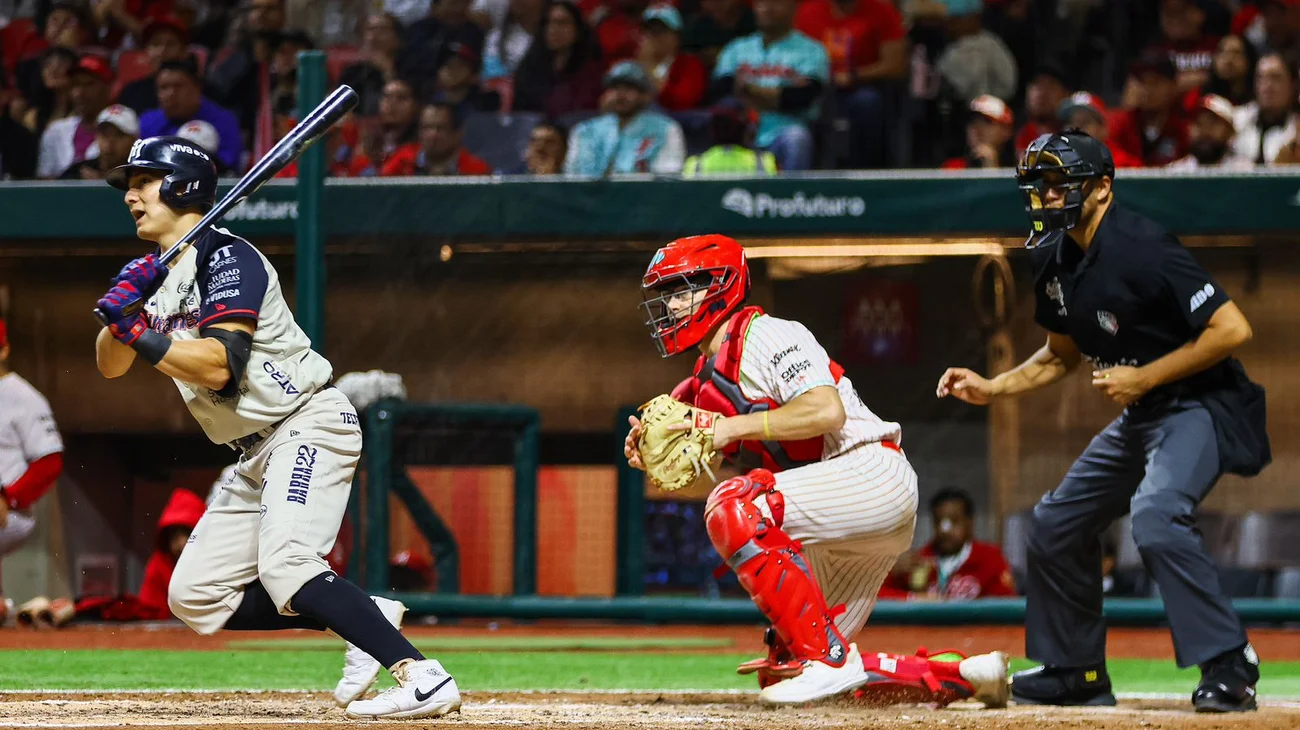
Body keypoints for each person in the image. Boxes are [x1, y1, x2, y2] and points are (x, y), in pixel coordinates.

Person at [93, 137, 460, 719]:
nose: (131, 195)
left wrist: (137, 333)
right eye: (128, 185)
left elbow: (220, 365)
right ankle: (364, 616)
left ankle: (424, 676)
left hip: (305, 423)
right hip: (250, 451)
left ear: (184, 186)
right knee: (192, 596)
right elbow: (110, 368)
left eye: (143, 180)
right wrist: (120, 320)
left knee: (288, 563)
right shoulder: (155, 274)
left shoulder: (227, 259)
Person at [937, 130, 1269, 712]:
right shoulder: (1050, 251)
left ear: (1102, 190)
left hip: (1203, 405)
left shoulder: (1143, 246)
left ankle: (1230, 662)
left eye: (1058, 181)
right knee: (1055, 522)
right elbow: (1060, 354)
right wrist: (995, 387)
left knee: (1157, 515)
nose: (1045, 194)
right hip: (1144, 416)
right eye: (1038, 183)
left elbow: (1232, 329)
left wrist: (1147, 376)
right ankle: (1076, 671)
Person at [624, 234, 1010, 706]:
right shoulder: (702, 384)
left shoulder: (767, 335)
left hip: (872, 473)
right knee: (789, 670)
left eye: (682, 289)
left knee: (732, 506)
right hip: (839, 517)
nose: (671, 305)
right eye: (667, 294)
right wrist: (651, 448)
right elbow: (739, 458)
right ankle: (964, 677)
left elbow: (827, 412)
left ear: (719, 287)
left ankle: (829, 662)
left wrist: (725, 430)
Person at [711, 0, 829, 171]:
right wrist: (777, 96)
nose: (768, 8)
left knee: (797, 139)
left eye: (777, 2)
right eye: (762, 3)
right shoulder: (736, 48)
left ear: (794, 7)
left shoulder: (812, 50)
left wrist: (747, 89)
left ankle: (791, 196)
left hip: (783, 132)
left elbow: (801, 98)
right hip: (738, 136)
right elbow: (720, 91)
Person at [0, 317, 66, 590]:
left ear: (4, 350)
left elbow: (49, 462)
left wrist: (9, 498)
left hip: (10, 508)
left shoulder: (23, 396)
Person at [879, 489, 1017, 601]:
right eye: (939, 521)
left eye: (954, 521)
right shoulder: (918, 561)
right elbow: (875, 599)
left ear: (969, 522)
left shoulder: (989, 559)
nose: (944, 530)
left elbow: (1006, 604)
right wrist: (893, 573)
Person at [564, 61, 686, 176]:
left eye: (629, 88)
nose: (620, 95)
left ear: (644, 95)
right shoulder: (585, 131)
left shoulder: (666, 129)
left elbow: (667, 180)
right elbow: (574, 178)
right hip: (591, 197)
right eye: (615, 88)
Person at [682, 99, 777, 176]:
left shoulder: (695, 165)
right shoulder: (765, 162)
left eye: (729, 124)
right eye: (720, 123)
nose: (725, 127)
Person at [60, 104, 140, 180]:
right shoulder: (79, 173)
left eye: (118, 136)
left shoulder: (143, 175)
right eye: (104, 135)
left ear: (134, 140)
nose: (109, 143)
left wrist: (101, 183)